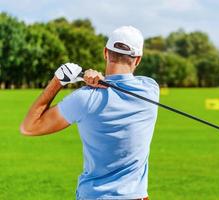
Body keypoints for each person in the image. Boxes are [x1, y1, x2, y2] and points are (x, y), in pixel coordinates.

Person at [20, 26, 159, 200]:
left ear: (105, 53)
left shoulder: (84, 98)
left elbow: (29, 127)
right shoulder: (150, 90)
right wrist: (94, 78)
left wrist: (59, 80)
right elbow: (123, 81)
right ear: (138, 59)